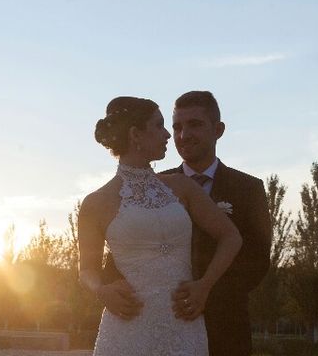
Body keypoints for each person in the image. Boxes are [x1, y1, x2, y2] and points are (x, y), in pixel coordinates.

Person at [103, 91, 271, 356]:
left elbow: (258, 260)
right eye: (177, 127)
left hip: (225, 327)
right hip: (156, 324)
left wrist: (203, 292)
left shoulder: (249, 189)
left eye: (195, 125)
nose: (183, 135)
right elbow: (123, 250)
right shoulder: (149, 185)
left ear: (218, 129)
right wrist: (111, 290)